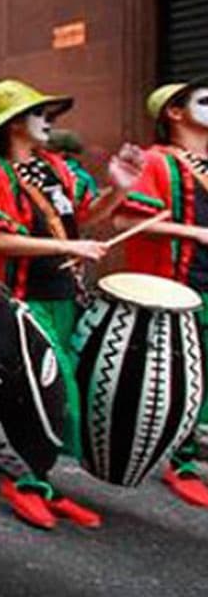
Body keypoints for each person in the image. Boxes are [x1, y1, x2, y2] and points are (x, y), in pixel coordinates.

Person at [0, 78, 142, 531]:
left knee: (59, 397)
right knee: (51, 398)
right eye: (39, 115)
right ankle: (24, 483)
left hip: (63, 300)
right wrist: (70, 249)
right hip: (19, 306)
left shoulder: (57, 168)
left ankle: (40, 482)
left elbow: (88, 214)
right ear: (14, 124)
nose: (48, 123)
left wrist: (118, 189)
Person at [115, 79, 208, 507]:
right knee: (185, 376)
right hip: (180, 284)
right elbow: (124, 223)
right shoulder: (155, 162)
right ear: (174, 112)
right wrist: (196, 233)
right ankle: (182, 462)